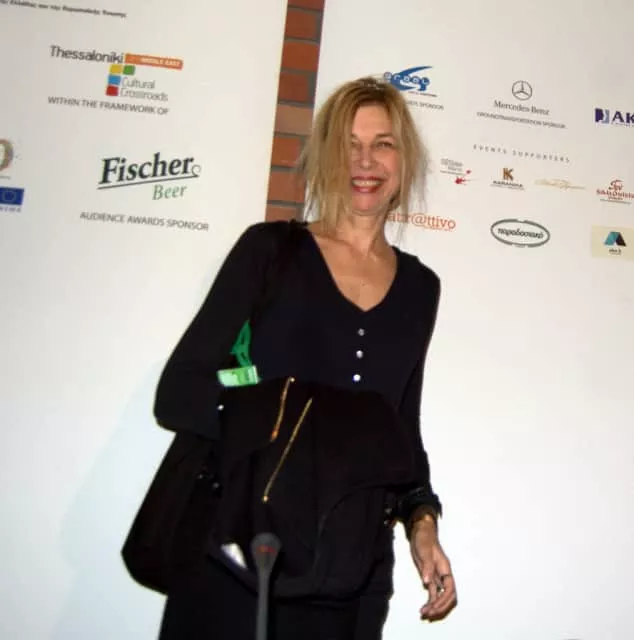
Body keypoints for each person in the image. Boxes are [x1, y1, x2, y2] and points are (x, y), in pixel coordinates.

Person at [153, 76, 457, 639]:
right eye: (349, 144)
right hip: (239, 551)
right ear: (325, 156)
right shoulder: (269, 251)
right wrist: (282, 426)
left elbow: (400, 430)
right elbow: (180, 391)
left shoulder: (421, 288)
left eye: (383, 144)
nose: (364, 161)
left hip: (351, 570)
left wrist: (422, 521)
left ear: (405, 161)